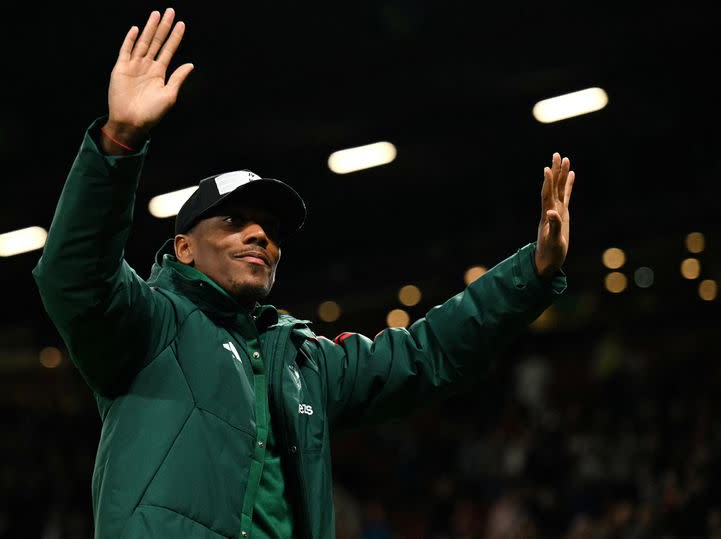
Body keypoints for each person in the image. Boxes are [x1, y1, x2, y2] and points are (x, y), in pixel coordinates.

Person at [32, 7, 576, 539]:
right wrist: (118, 143)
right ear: (184, 248)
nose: (259, 235)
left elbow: (424, 354)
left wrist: (532, 272)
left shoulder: (302, 361)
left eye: (270, 229)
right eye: (235, 220)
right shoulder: (150, 323)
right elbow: (74, 277)